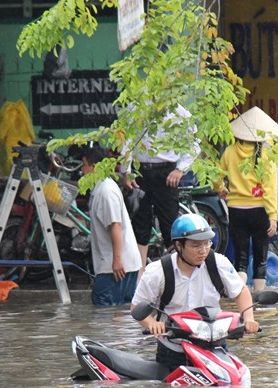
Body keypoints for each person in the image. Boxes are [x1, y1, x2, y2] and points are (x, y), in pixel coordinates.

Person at [131, 213, 259, 370]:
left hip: (214, 344)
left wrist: (248, 318)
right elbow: (136, 307)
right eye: (196, 246)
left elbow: (240, 291)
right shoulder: (157, 271)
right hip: (174, 349)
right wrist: (153, 324)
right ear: (179, 245)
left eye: (207, 244)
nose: (203, 251)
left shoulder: (218, 263)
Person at [122, 105, 200, 268]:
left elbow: (194, 145)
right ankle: (139, 278)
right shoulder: (137, 107)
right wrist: (127, 170)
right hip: (140, 171)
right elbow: (127, 139)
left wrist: (180, 169)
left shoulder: (181, 112)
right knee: (139, 226)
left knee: (170, 226)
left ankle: (177, 273)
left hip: (166, 172)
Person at [214, 107, 278, 293]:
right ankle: (259, 298)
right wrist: (273, 216)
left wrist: (221, 189)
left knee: (241, 259)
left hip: (236, 210)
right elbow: (269, 189)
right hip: (260, 211)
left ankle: (241, 297)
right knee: (260, 257)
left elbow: (216, 176)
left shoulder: (229, 151)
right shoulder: (265, 156)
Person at [82, 145, 142, 306]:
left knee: (103, 308)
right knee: (121, 312)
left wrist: (117, 260)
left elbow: (115, 225)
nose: (82, 170)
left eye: (84, 165)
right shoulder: (102, 188)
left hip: (115, 267)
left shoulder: (106, 191)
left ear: (94, 167)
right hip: (118, 265)